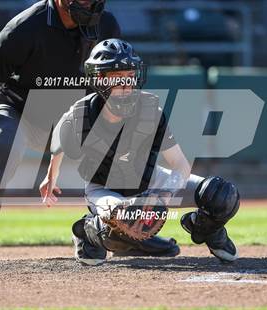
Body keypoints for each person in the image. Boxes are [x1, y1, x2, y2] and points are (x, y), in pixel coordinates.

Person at [43, 38, 240, 265]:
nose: (126, 84)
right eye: (117, 77)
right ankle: (87, 233)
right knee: (121, 221)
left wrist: (162, 197)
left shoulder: (150, 111)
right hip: (105, 189)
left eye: (129, 76)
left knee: (221, 195)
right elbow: (58, 139)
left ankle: (206, 230)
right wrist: (51, 175)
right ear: (99, 79)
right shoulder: (81, 114)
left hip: (150, 181)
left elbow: (181, 166)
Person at [0, 0, 120, 261]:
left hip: (70, 116)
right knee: (2, 143)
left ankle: (106, 232)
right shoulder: (24, 28)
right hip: (18, 110)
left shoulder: (106, 24)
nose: (89, 3)